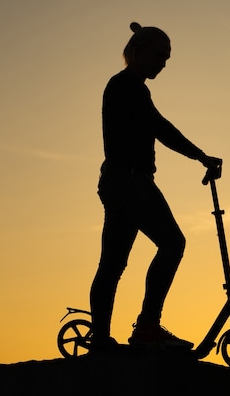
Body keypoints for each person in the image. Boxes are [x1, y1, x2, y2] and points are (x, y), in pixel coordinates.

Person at [89, 22, 222, 351]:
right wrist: (200, 155)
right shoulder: (128, 86)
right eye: (159, 54)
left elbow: (154, 127)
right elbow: (159, 127)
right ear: (137, 52)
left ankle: (103, 339)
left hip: (119, 182)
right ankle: (147, 327)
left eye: (167, 58)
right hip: (131, 181)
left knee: (112, 265)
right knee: (173, 243)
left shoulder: (125, 87)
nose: (163, 63)